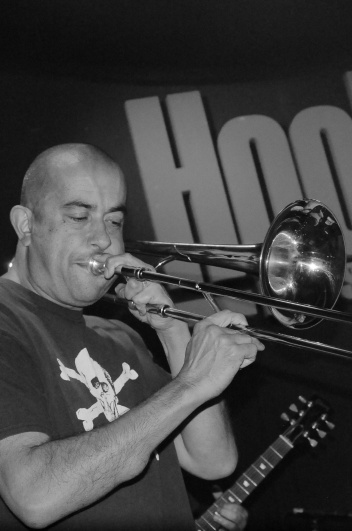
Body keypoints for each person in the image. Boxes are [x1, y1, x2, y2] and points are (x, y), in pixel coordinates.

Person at [0, 143, 259, 529]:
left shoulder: (121, 336)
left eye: (114, 221)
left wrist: (173, 332)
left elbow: (213, 461)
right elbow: (34, 496)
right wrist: (190, 384)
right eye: (79, 216)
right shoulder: (8, 319)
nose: (103, 239)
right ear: (26, 225)